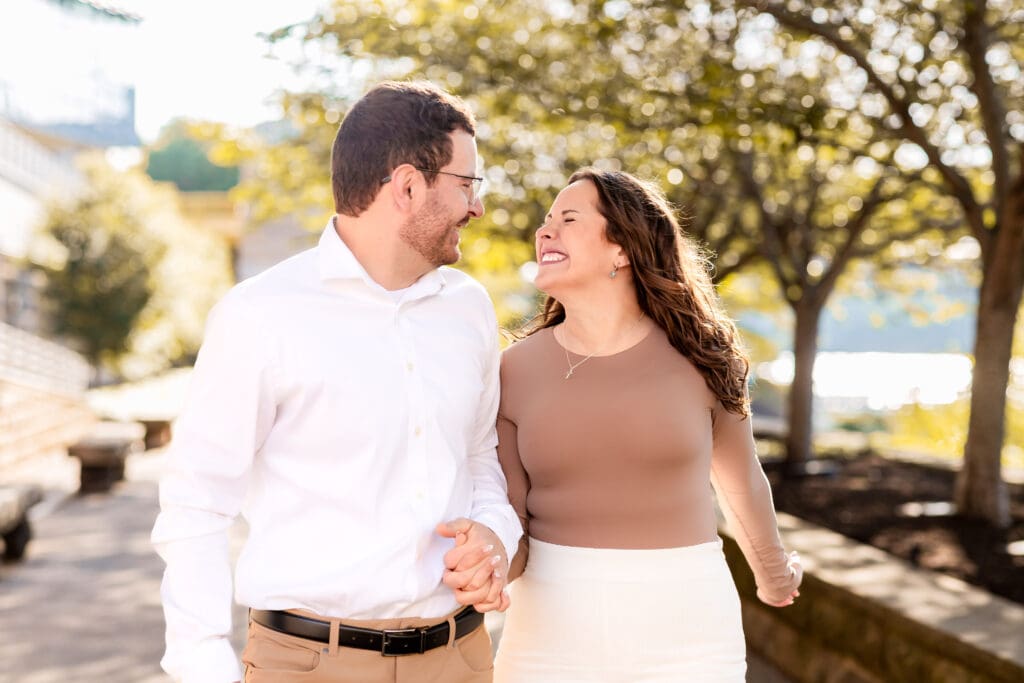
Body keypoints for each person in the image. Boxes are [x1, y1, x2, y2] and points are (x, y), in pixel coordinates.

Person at [151, 81, 522, 683]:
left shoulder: (470, 310)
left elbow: (481, 459)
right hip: (307, 666)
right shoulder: (260, 315)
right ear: (406, 186)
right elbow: (197, 503)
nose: (476, 206)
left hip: (462, 659)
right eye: (466, 183)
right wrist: (202, 666)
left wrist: (495, 534)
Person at [492, 169, 802, 682]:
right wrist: (482, 566)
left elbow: (741, 480)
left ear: (623, 249)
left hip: (690, 635)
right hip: (549, 639)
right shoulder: (512, 370)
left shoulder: (704, 357)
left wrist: (772, 575)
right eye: (546, 222)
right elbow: (512, 526)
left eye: (568, 220)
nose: (544, 232)